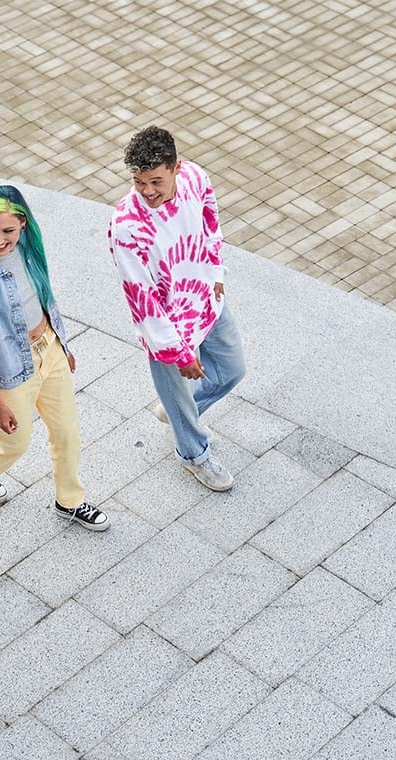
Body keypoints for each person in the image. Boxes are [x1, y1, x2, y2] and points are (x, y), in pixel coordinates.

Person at [0, 185, 109, 531]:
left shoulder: (30, 251)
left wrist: (63, 347)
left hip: (49, 349)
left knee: (67, 432)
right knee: (15, 442)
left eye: (7, 230)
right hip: (9, 368)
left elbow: (45, 301)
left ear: (22, 224)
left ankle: (70, 501)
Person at [107, 126, 246, 491]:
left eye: (156, 181)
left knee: (232, 369)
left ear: (177, 168)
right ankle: (193, 454)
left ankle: (178, 411)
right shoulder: (126, 226)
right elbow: (141, 296)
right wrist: (177, 352)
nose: (148, 192)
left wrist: (215, 271)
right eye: (139, 182)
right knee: (178, 391)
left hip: (204, 299)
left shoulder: (196, 178)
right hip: (164, 324)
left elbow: (210, 223)